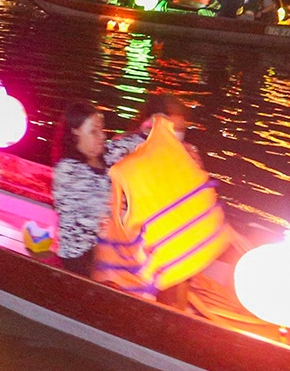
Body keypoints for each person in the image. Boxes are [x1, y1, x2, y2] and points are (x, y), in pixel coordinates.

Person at [48, 101, 110, 277]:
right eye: (94, 131)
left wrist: (148, 129)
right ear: (75, 132)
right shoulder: (68, 171)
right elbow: (95, 217)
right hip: (79, 257)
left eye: (102, 130)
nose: (103, 136)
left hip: (100, 251)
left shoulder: (103, 156)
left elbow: (127, 145)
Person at [105, 92, 198, 167]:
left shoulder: (188, 153)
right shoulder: (124, 146)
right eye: (174, 129)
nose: (178, 135)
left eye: (181, 129)